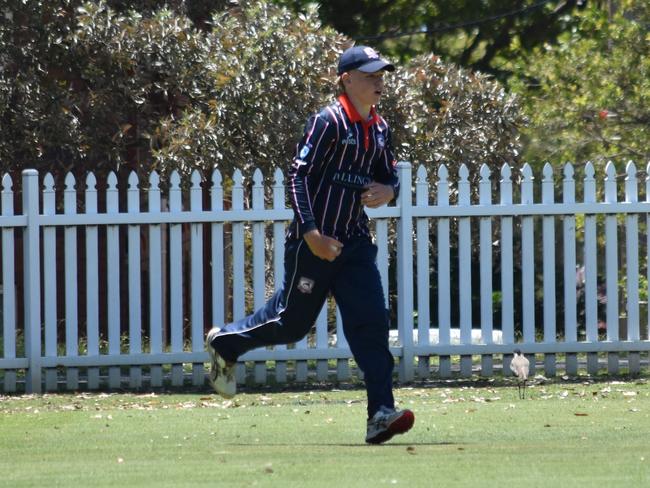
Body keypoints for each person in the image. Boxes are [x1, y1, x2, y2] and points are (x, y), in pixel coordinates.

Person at [206, 45, 414, 444]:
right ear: (347, 79)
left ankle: (380, 415)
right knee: (291, 324)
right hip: (313, 245)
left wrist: (390, 189)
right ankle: (226, 342)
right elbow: (297, 177)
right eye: (370, 75)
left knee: (372, 326)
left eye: (381, 74)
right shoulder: (328, 122)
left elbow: (390, 178)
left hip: (354, 244)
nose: (378, 81)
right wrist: (312, 234)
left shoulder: (380, 128)